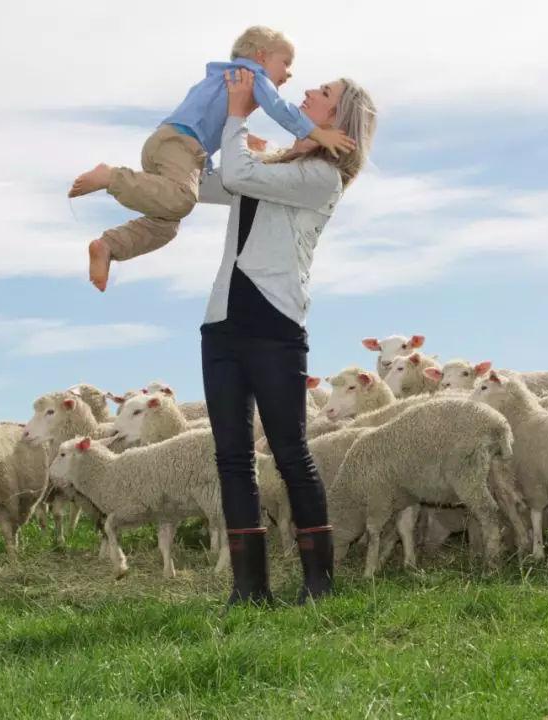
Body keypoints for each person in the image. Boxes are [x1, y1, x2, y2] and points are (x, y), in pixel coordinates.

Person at [198, 68, 376, 605]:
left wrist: (236, 116)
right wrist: (197, 135)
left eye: (323, 94)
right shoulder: (276, 164)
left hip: (274, 324)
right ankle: (248, 589)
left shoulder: (322, 176)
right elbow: (211, 184)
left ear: (339, 119)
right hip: (223, 322)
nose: (309, 93)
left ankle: (319, 584)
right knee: (232, 457)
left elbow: (239, 174)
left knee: (289, 452)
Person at [66, 26, 357, 292]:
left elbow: (212, 118)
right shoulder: (251, 75)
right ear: (261, 56)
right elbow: (280, 109)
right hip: (178, 145)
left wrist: (243, 136)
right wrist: (319, 134)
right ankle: (111, 176)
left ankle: (109, 246)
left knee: (167, 223)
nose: (289, 74)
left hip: (175, 148)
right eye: (286, 63)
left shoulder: (228, 79)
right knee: (183, 199)